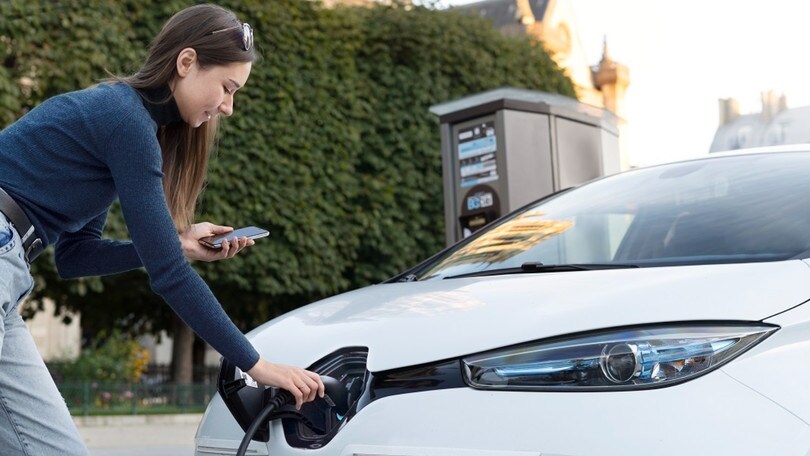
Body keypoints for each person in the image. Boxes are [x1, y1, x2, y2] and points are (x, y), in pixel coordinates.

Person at [0, 4, 324, 455]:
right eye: (227, 88)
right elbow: (168, 275)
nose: (228, 107)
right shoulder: (123, 118)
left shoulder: (126, 126)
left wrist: (176, 243)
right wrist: (257, 365)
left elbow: (76, 257)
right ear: (187, 62)